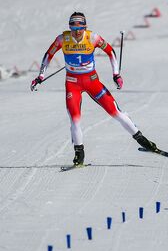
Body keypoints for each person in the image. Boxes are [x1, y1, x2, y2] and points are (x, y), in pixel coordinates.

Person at [30, 12, 157, 167]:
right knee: (75, 119)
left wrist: (116, 74)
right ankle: (79, 155)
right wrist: (40, 76)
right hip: (72, 84)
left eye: (80, 28)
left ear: (85, 27)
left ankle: (143, 141)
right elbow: (48, 55)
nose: (77, 32)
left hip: (92, 81)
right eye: (74, 28)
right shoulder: (62, 39)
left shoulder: (92, 37)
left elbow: (110, 52)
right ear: (70, 27)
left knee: (115, 112)